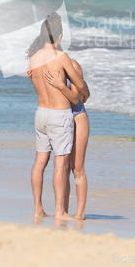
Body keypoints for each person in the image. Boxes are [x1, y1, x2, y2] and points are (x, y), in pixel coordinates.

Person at [26, 13, 89, 221]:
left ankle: (38, 209)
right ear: (59, 36)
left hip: (40, 113)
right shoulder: (61, 57)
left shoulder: (33, 59)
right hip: (59, 115)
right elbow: (80, 87)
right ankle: (60, 212)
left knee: (39, 161)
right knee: (61, 164)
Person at [45, 59, 89, 220]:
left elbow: (77, 95)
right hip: (57, 118)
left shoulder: (72, 64)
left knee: (77, 168)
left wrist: (61, 85)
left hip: (77, 116)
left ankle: (80, 213)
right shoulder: (43, 65)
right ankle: (63, 211)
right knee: (62, 167)